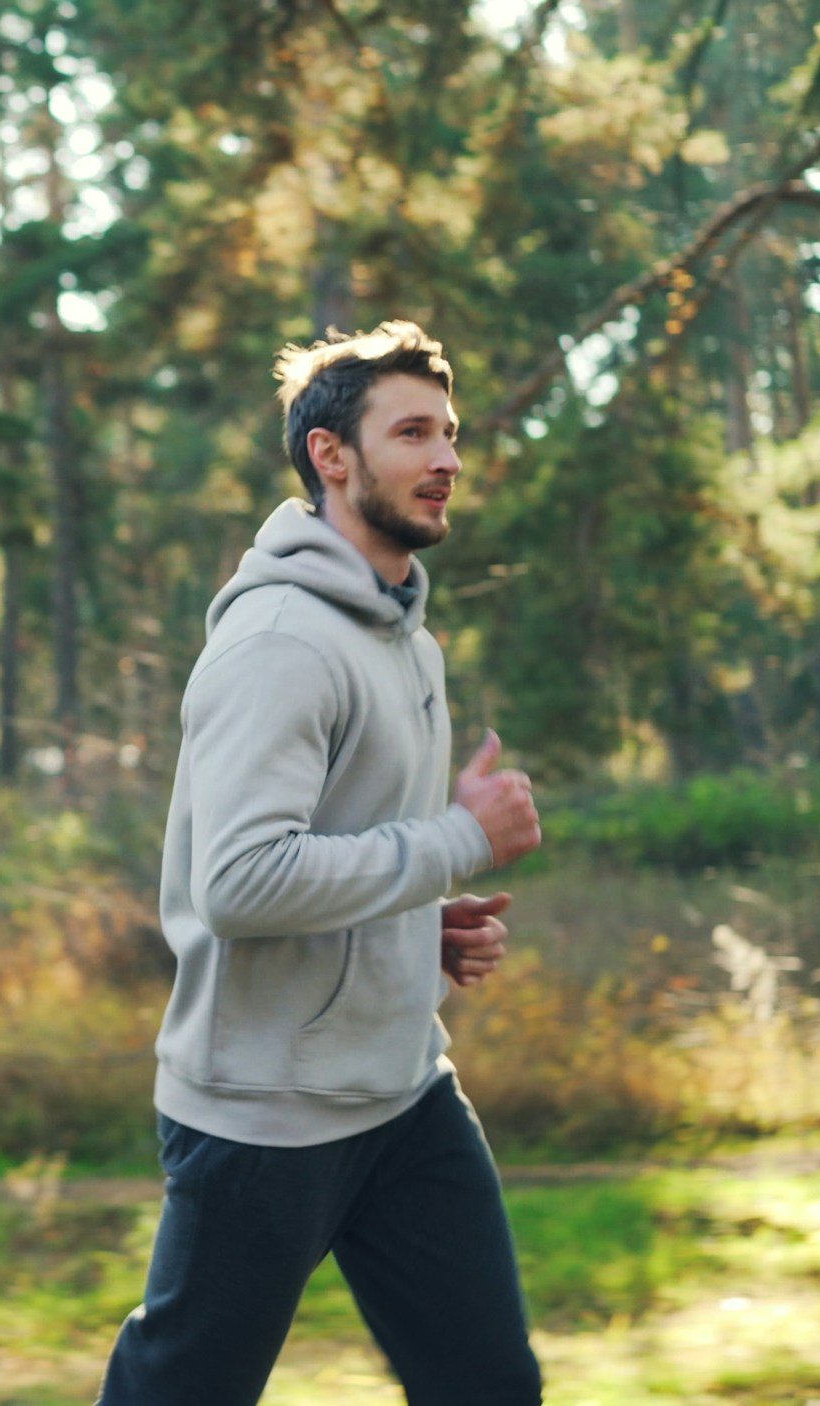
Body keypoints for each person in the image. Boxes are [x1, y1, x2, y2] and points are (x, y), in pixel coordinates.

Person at [96, 322, 544, 1405]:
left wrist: (410, 930)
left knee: (488, 1385)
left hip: (401, 1091)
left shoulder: (406, 640)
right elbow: (242, 882)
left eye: (449, 433)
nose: (445, 459)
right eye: (411, 433)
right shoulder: (281, 643)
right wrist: (456, 840)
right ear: (330, 457)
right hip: (265, 1113)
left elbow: (334, 856)